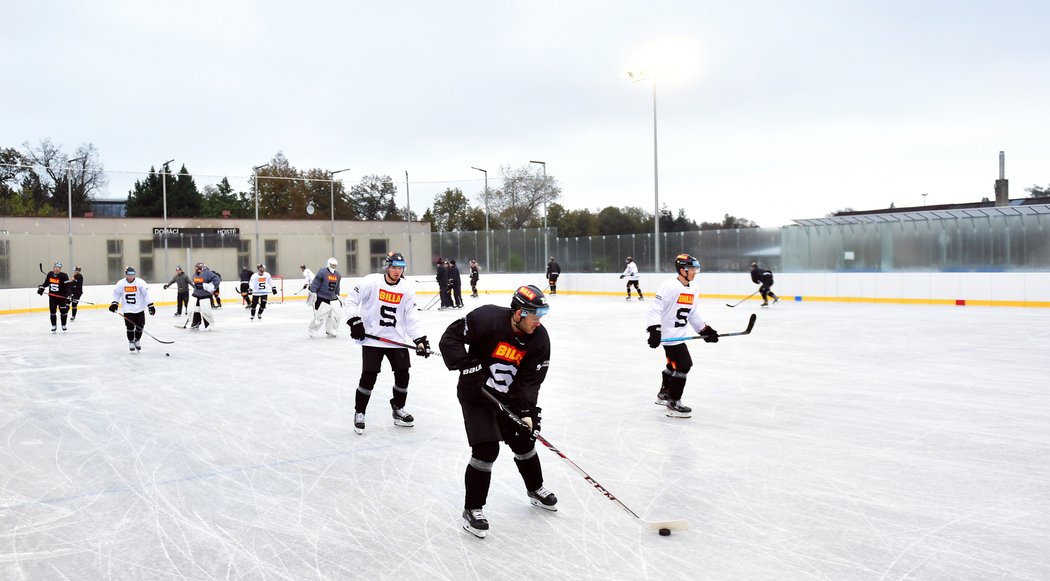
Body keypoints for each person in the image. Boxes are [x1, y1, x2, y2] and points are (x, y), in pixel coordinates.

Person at [439, 284, 557, 538]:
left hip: (510, 397)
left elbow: (530, 380)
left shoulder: (539, 338)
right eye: (535, 316)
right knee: (486, 449)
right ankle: (473, 509)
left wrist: (526, 411)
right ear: (519, 313)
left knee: (525, 441)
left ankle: (535, 489)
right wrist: (466, 364)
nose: (539, 322)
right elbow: (450, 338)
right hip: (477, 395)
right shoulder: (486, 318)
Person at [344, 251, 430, 434]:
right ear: (387, 267)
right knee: (369, 375)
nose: (397, 272)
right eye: (394, 268)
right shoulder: (371, 282)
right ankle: (360, 412)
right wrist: (355, 321)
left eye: (400, 268)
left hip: (396, 340)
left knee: (403, 375)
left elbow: (411, 317)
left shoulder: (406, 289)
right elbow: (351, 301)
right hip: (372, 339)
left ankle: (398, 409)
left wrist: (420, 339)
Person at [646, 254, 719, 418]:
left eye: (695, 268)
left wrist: (705, 330)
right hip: (668, 336)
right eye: (691, 269)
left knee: (673, 365)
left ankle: (664, 394)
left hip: (678, 335)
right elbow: (655, 308)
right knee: (684, 364)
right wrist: (654, 329)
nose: (694, 272)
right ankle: (673, 402)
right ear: (682, 270)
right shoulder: (669, 286)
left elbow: (692, 313)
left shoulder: (694, 289)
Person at [109, 266, 155, 353]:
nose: (131, 276)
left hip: (139, 308)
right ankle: (131, 341)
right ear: (126, 274)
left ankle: (137, 340)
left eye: (133, 274)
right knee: (130, 327)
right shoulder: (121, 283)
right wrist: (114, 303)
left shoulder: (140, 282)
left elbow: (146, 294)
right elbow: (116, 294)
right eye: (129, 274)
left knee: (140, 326)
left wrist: (150, 305)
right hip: (128, 309)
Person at [307, 257, 342, 337]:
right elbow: (316, 282)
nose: (333, 267)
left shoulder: (338, 275)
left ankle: (331, 331)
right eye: (332, 265)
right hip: (322, 297)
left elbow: (337, 286)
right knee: (320, 316)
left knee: (336, 316)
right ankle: (312, 330)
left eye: (335, 265)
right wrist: (313, 292)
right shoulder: (322, 272)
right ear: (328, 264)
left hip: (333, 298)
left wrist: (337, 294)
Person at [182, 262, 221, 329]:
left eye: (197, 267)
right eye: (196, 267)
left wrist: (206, 286)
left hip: (205, 296)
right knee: (195, 309)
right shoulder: (195, 274)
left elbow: (217, 280)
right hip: (196, 295)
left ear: (201, 268)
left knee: (205, 311)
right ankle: (196, 322)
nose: (195, 268)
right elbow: (195, 282)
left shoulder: (208, 273)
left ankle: (208, 324)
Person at [37, 261, 71, 332]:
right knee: (52, 311)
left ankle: (63, 325)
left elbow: (67, 287)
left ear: (60, 269)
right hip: (52, 297)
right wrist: (42, 288)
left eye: (58, 268)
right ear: (53, 267)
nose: (56, 269)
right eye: (55, 267)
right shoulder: (50, 274)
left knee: (63, 312)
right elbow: (46, 283)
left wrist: (70, 295)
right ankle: (54, 326)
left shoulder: (64, 276)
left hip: (61, 297)